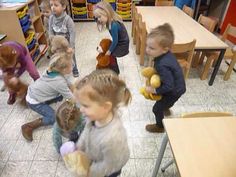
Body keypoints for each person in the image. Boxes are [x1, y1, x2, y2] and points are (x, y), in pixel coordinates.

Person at [73, 69, 132, 177]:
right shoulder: (95, 117)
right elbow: (86, 131)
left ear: (106, 107)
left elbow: (109, 165)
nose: (81, 109)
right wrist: (79, 146)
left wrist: (89, 172)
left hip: (110, 169)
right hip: (96, 156)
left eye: (85, 106)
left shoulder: (113, 137)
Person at [21, 52, 74, 141]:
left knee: (61, 95)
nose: (73, 66)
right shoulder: (59, 82)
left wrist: (74, 90)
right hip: (35, 102)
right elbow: (72, 100)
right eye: (71, 65)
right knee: (55, 118)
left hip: (34, 93)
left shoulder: (51, 69)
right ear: (64, 69)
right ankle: (28, 126)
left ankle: (46, 102)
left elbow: (68, 83)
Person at [145, 23, 186, 133]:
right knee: (165, 102)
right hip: (179, 86)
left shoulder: (162, 64)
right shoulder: (165, 55)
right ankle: (165, 106)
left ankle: (160, 127)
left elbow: (169, 86)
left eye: (152, 48)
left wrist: (154, 90)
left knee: (156, 108)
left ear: (164, 49)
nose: (147, 50)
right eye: (147, 46)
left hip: (174, 90)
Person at [93, 1, 129, 75]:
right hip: (121, 42)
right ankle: (109, 66)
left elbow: (115, 41)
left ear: (107, 13)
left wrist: (108, 52)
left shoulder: (113, 25)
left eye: (99, 17)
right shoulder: (110, 21)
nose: (98, 20)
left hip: (123, 46)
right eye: (97, 18)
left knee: (110, 54)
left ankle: (115, 71)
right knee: (107, 48)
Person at [48, 0, 79, 77]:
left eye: (56, 5)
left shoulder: (68, 19)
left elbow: (72, 33)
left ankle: (75, 69)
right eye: (51, 5)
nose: (53, 7)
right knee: (58, 58)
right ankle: (60, 70)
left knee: (71, 57)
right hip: (57, 45)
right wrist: (52, 43)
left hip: (67, 44)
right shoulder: (51, 18)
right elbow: (50, 32)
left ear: (64, 7)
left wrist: (71, 47)